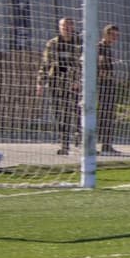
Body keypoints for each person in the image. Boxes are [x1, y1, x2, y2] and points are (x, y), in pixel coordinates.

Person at [36, 16, 83, 156]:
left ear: (73, 27)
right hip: (56, 81)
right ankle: (64, 144)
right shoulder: (53, 44)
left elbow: (84, 64)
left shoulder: (79, 43)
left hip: (73, 82)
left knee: (76, 110)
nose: (66, 29)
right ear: (60, 28)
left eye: (69, 26)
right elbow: (45, 63)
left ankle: (79, 133)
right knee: (59, 113)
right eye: (63, 27)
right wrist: (40, 82)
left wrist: (78, 81)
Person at [96, 24, 122, 155]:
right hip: (99, 86)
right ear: (105, 35)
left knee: (109, 114)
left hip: (109, 85)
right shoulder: (98, 48)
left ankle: (107, 144)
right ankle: (93, 144)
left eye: (117, 35)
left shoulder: (109, 49)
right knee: (100, 114)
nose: (115, 37)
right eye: (112, 34)